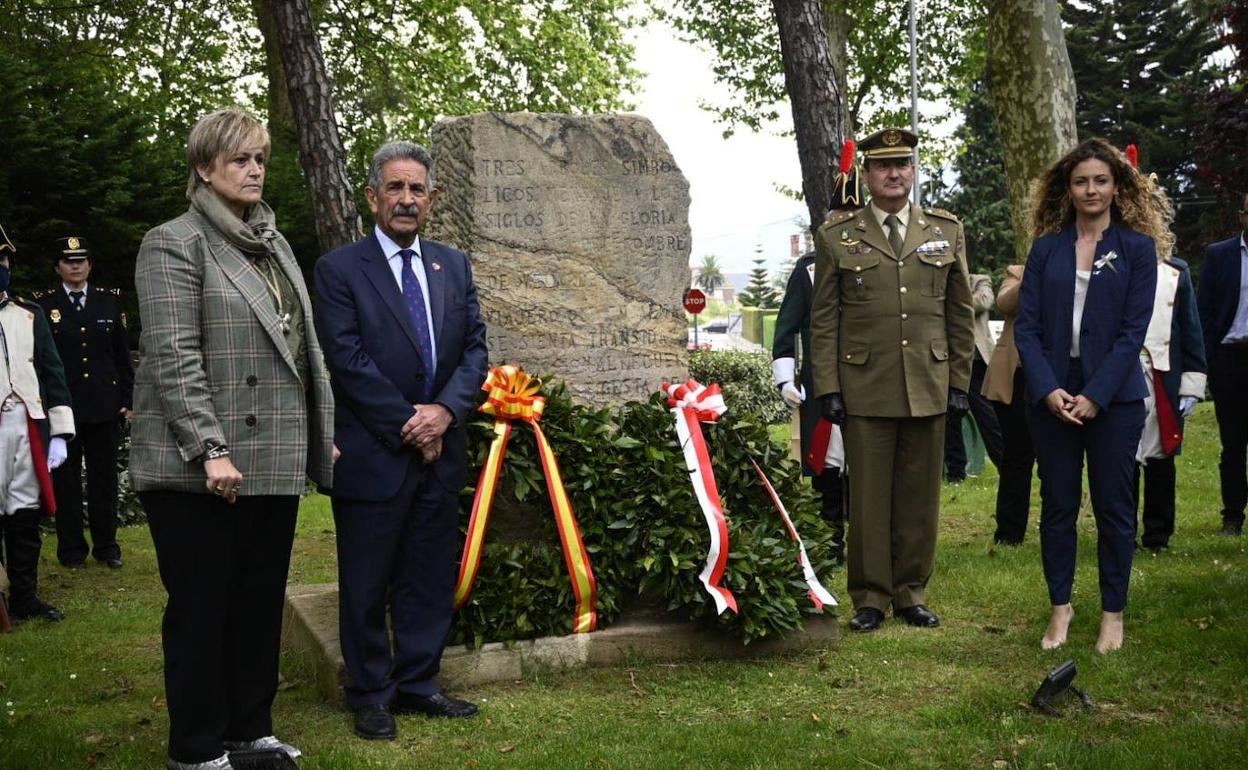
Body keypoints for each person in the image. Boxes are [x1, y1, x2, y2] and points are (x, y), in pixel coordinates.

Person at [130, 107, 334, 770]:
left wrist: (319, 436)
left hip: (271, 457)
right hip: (198, 468)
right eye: (240, 159)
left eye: (260, 158)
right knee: (203, 609)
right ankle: (195, 749)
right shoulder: (173, 242)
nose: (254, 170)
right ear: (203, 167)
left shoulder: (273, 244)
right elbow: (173, 356)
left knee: (256, 605)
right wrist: (210, 448)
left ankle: (250, 732)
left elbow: (302, 351)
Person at [314, 141, 488, 741]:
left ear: (431, 200)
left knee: (427, 575)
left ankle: (418, 683)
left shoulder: (453, 266)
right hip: (374, 453)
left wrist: (444, 412)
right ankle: (370, 693)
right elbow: (346, 359)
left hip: (441, 451)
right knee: (366, 581)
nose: (407, 199)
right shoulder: (339, 270)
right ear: (372, 197)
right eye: (395, 187)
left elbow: (475, 350)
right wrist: (411, 426)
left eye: (417, 189)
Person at [810, 127, 975, 633]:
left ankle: (910, 592)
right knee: (868, 498)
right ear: (867, 175)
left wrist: (960, 380)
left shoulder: (945, 231)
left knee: (919, 496)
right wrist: (828, 387)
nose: (894, 173)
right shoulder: (837, 236)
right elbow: (824, 319)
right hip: (866, 384)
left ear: (913, 171)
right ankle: (870, 596)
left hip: (928, 380)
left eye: (902, 164)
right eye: (883, 166)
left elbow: (960, 312)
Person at [1014, 138, 1164, 654]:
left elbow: (1132, 331)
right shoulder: (1046, 249)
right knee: (1058, 504)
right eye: (1081, 181)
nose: (1091, 189)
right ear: (1068, 188)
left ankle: (1112, 614)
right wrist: (1047, 388)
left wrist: (1096, 394)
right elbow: (1026, 327)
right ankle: (1061, 608)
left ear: (1117, 187)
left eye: (1101, 180)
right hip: (1052, 393)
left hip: (1114, 397)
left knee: (1114, 508)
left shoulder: (1137, 249)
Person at [772, 139, 863, 563]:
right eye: (839, 220)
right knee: (827, 464)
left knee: (866, 463)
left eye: (853, 220)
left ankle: (867, 543)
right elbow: (787, 326)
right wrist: (785, 379)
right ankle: (831, 544)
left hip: (869, 381)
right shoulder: (807, 269)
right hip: (822, 383)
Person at [34, 236, 134, 569]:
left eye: (81, 260)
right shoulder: (43, 305)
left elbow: (122, 355)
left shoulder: (110, 301)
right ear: (57, 267)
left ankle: (107, 547)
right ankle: (72, 549)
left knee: (104, 479)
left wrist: (128, 398)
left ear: (90, 265)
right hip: (64, 407)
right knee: (66, 482)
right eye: (68, 261)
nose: (75, 266)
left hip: (105, 404)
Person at [0, 222, 75, 624]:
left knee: (23, 510)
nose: (1, 267)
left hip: (27, 425)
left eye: (3, 260)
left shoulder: (29, 314)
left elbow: (52, 371)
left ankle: (25, 598)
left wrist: (59, 433)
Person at [1135, 255, 1206, 550]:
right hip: (1121, 372)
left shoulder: (1176, 270)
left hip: (1163, 374)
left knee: (1161, 455)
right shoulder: (1107, 263)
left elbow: (1190, 329)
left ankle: (1158, 534)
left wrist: (1191, 384)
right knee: (1121, 457)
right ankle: (1121, 531)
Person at [1196, 191, 1248, 537]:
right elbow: (1203, 310)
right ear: (1242, 216)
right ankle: (1233, 516)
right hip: (1229, 359)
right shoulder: (1220, 255)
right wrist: (1208, 361)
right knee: (1233, 443)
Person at [982, 264, 1037, 545]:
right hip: (1016, 376)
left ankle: (1058, 527)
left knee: (1057, 459)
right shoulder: (1019, 273)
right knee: (1016, 455)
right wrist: (1034, 274)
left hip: (1059, 374)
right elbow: (1004, 303)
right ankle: (1009, 532)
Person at [944, 272, 1004, 481]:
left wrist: (952, 302)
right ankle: (955, 473)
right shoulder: (940, 281)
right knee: (949, 419)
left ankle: (1006, 466)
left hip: (977, 364)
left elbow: (984, 301)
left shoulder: (979, 280)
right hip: (950, 362)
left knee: (989, 418)